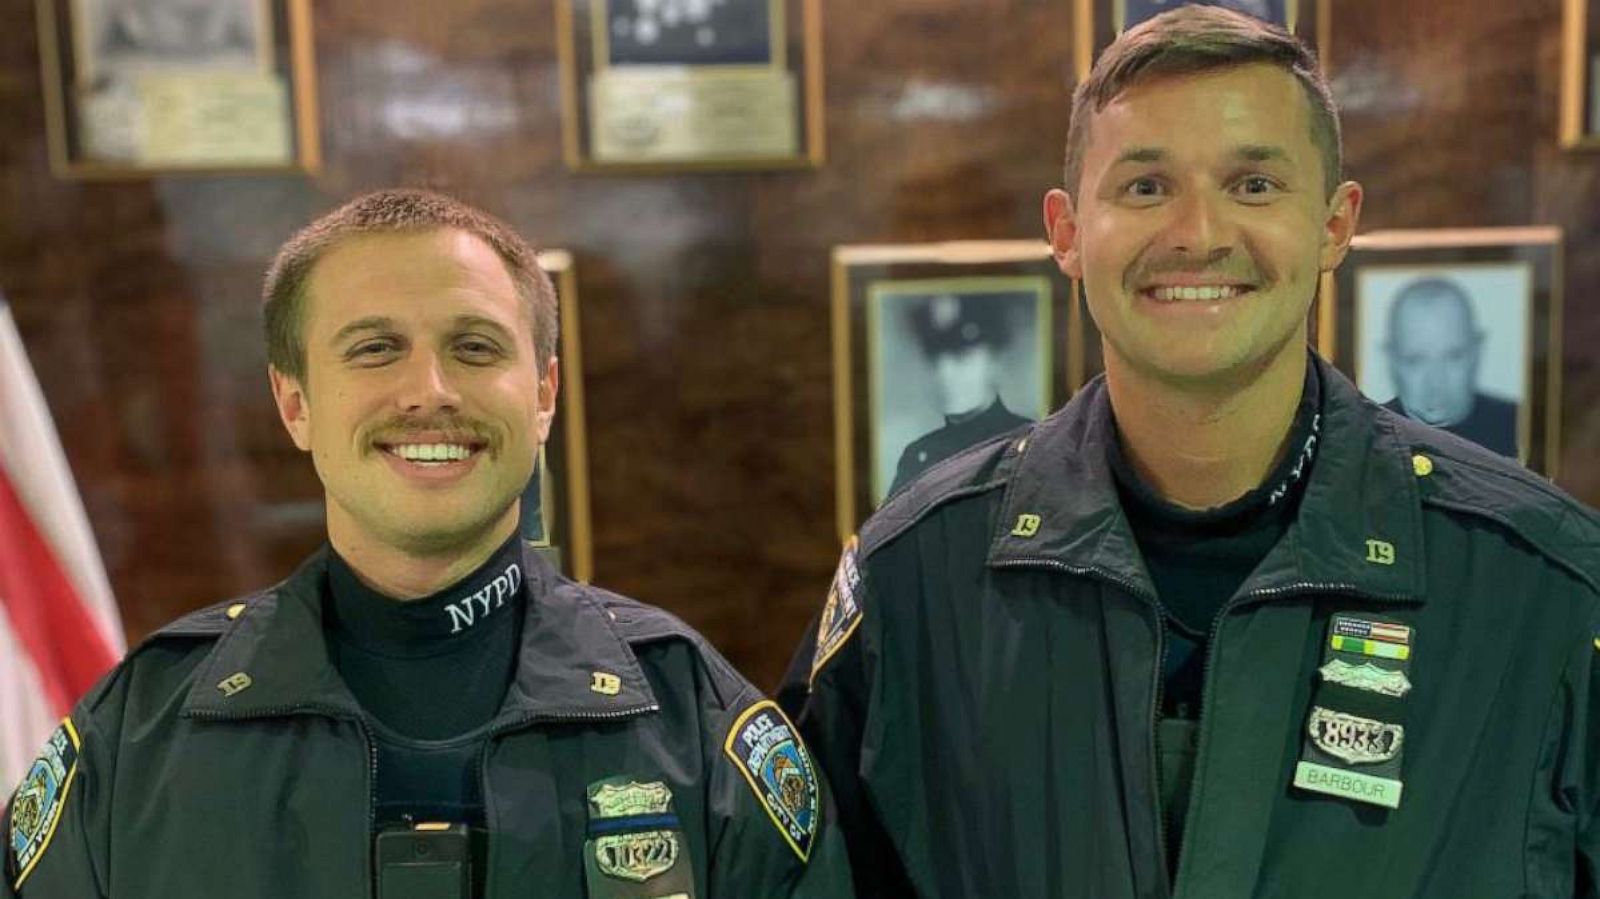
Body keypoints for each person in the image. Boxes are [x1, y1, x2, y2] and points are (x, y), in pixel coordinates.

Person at [784, 7, 1600, 898]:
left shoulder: (1545, 591)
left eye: (1253, 184)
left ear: (1335, 224)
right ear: (1066, 232)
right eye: (1144, 187)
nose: (1197, 232)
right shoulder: (916, 580)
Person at [3, 190, 852, 898]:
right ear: (294, 402)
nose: (428, 391)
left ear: (544, 393)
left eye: (474, 347)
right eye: (375, 349)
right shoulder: (140, 739)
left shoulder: (696, 727)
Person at [887, 293, 1034, 496]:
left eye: (961, 357)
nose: (944, 374)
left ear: (994, 361)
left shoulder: (1031, 445)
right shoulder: (919, 455)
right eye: (935, 358)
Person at [1379, 275, 1519, 457]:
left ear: (1477, 351)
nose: (1436, 383)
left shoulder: (1517, 424)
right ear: (1392, 359)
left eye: (1454, 357)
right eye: (1415, 361)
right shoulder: (1366, 435)